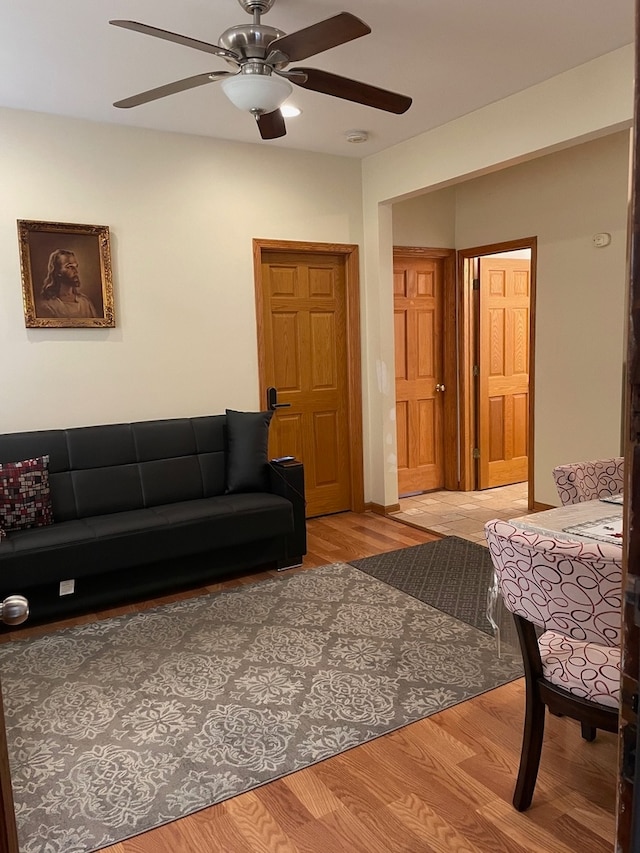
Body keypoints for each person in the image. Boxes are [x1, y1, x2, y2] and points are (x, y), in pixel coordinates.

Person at [38, 249, 99, 319]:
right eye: (70, 267)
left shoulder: (85, 303)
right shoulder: (48, 306)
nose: (76, 271)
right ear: (58, 272)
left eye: (76, 267)